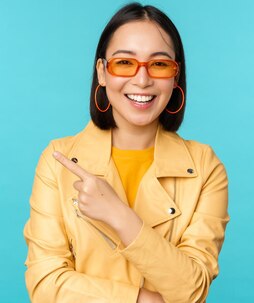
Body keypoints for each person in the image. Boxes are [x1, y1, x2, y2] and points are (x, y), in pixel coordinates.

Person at [23, 3, 229, 302]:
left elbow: (193, 289)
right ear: (102, 73)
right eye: (124, 63)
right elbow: (45, 284)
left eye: (159, 64)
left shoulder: (204, 167)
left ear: (175, 76)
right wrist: (144, 299)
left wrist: (120, 216)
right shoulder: (59, 159)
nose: (142, 80)